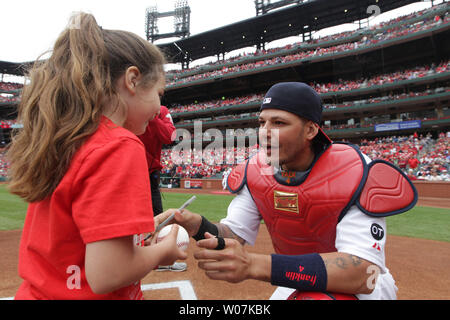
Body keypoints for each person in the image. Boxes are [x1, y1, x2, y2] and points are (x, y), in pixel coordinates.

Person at [159, 82, 417, 300]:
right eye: (262, 122)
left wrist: (253, 265)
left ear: (311, 130)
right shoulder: (257, 170)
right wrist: (195, 224)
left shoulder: (354, 171)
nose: (265, 133)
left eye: (279, 123)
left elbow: (362, 273)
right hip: (296, 278)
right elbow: (233, 235)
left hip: (363, 292)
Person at [7, 12, 186, 300]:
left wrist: (140, 231)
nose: (159, 106)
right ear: (132, 79)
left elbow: (77, 234)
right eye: (159, 92)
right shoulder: (119, 145)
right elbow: (108, 274)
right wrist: (161, 252)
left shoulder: (69, 137)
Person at [138, 106, 187, 272]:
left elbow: (170, 136)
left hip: (150, 173)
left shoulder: (162, 111)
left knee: (156, 213)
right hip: (130, 169)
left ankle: (155, 258)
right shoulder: (130, 107)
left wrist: (152, 116)